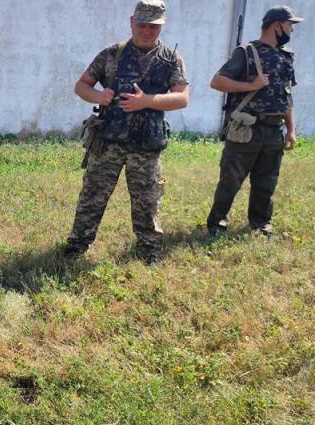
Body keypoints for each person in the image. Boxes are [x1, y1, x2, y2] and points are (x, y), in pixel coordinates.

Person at [63, 0, 189, 264]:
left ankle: (149, 252)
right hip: (108, 141)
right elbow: (81, 86)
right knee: (93, 195)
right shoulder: (112, 54)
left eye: (153, 26)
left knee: (147, 201)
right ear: (132, 22)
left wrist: (147, 101)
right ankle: (77, 246)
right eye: (142, 24)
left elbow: (181, 98)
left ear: (161, 26)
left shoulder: (171, 59)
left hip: (146, 145)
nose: (147, 30)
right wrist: (99, 94)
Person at [206, 5, 303, 237]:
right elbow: (217, 81)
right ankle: (217, 222)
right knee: (231, 179)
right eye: (290, 25)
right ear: (277, 25)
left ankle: (261, 223)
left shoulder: (286, 56)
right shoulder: (247, 52)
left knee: (266, 181)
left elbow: (287, 94)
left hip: (274, 131)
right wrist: (251, 86)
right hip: (247, 128)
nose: (291, 29)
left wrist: (291, 129)